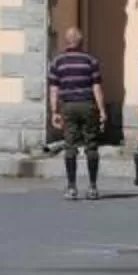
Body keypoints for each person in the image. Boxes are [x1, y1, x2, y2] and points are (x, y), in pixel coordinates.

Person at [45, 28, 106, 199]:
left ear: (66, 41)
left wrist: (54, 111)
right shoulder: (90, 60)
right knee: (91, 145)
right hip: (88, 105)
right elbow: (96, 87)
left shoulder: (57, 62)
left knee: (70, 146)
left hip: (68, 106)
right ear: (81, 42)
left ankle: (72, 187)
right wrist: (102, 110)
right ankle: (92, 187)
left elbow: (54, 89)